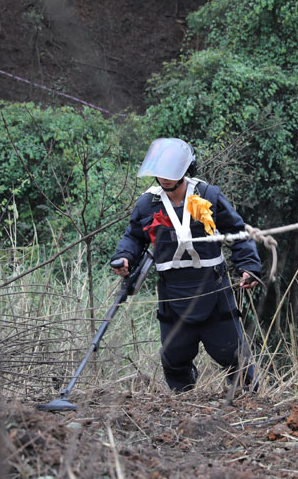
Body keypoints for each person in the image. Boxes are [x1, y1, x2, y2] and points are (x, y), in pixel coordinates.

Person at [111, 138, 262, 392]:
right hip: (172, 291)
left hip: (212, 287)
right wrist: (125, 257)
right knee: (174, 356)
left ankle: (248, 398)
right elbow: (134, 237)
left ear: (186, 170)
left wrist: (248, 266)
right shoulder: (148, 203)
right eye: (161, 172)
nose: (165, 178)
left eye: (171, 172)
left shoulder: (207, 195)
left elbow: (238, 231)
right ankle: (183, 402)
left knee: (232, 353)